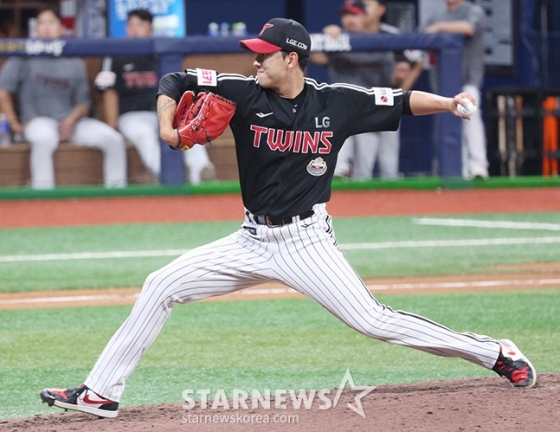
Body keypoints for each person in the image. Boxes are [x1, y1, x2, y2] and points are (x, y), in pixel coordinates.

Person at [39, 17, 536, 419]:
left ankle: (496, 352)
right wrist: (169, 127)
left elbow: (401, 101)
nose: (255, 61)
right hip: (250, 240)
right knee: (161, 284)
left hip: (306, 243)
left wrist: (449, 102)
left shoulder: (336, 102)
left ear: (291, 58)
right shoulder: (242, 91)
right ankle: (100, 393)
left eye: (264, 54)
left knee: (374, 321)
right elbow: (176, 79)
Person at [0, 7, 127, 190]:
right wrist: (15, 125)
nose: (46, 28)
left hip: (71, 122)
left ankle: (117, 194)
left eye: (51, 22)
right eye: (41, 23)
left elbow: (83, 103)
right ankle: (43, 195)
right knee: (45, 138)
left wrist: (72, 120)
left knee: (113, 139)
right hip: (38, 122)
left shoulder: (73, 59)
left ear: (61, 28)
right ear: (36, 29)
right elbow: (3, 91)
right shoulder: (24, 56)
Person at [95, 8, 215, 184]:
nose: (134, 29)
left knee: (188, 126)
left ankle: (201, 171)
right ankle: (169, 173)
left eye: (140, 25)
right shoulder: (115, 54)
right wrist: (112, 127)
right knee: (145, 135)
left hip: (161, 111)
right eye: (130, 25)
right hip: (132, 115)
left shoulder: (162, 53)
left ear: (150, 29)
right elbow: (108, 92)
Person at [311, 0, 421, 180]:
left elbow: (415, 62)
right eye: (346, 15)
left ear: (366, 17)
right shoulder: (337, 39)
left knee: (388, 166)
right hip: (349, 107)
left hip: (381, 102)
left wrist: (400, 90)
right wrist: (323, 39)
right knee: (359, 167)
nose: (349, 19)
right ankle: (343, 176)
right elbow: (314, 55)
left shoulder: (387, 37)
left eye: (354, 15)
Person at [423, 0, 489, 180]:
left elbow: (468, 28)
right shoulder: (436, 16)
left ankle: (478, 167)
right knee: (447, 127)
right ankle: (458, 170)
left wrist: (439, 28)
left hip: (467, 80)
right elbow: (423, 39)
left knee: (471, 120)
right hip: (443, 83)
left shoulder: (473, 11)